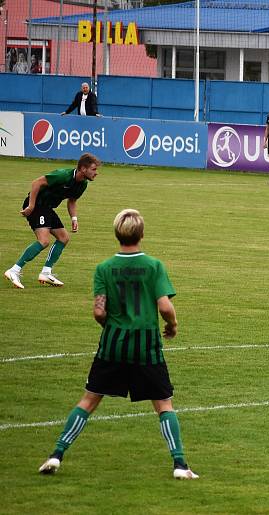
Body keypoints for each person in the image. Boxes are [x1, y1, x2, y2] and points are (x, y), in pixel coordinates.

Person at [37, 208, 199, 480]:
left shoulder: (104, 268)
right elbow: (165, 306)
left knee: (89, 400)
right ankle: (180, 465)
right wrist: (172, 326)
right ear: (142, 234)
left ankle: (56, 454)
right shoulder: (153, 266)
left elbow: (99, 311)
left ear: (116, 235)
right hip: (145, 345)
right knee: (163, 405)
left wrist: (112, 328)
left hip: (112, 344)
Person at [4, 153, 101, 289]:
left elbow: (72, 201)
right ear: (83, 169)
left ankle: (46, 272)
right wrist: (31, 206)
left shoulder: (82, 184)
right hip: (36, 205)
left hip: (47, 208)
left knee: (64, 238)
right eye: (94, 169)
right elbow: (37, 183)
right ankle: (14, 270)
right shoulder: (63, 175)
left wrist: (74, 218)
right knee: (44, 241)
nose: (96, 173)